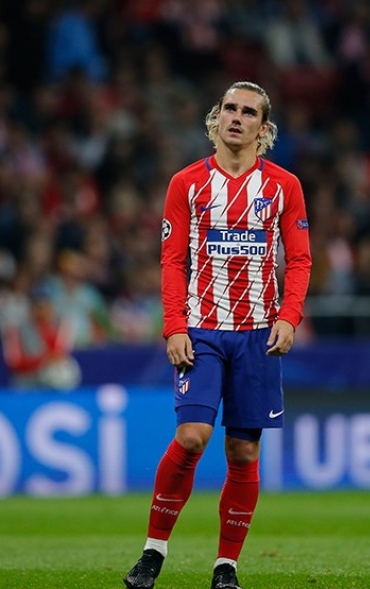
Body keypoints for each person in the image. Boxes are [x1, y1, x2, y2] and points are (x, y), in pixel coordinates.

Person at [123, 81, 311, 589]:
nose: (236, 117)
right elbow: (172, 261)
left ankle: (226, 566)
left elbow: (299, 259)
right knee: (191, 437)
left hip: (258, 335)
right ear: (216, 117)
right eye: (229, 108)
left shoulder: (284, 186)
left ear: (263, 129)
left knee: (243, 452)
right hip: (202, 330)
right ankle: (152, 553)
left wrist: (289, 316)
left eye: (248, 112)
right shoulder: (186, 183)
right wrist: (173, 326)